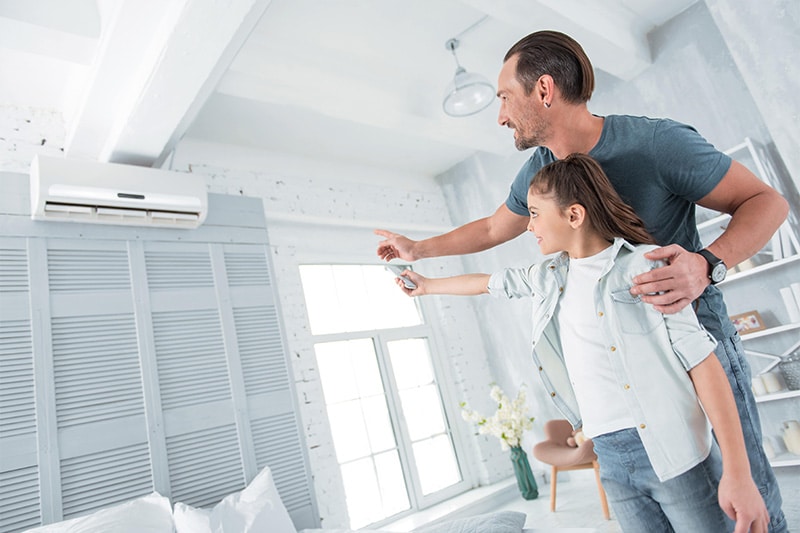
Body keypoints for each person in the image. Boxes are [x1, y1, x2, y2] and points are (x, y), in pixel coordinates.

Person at [376, 30, 789, 531]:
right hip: (626, 386)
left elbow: (769, 202)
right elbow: (490, 229)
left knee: (751, 502)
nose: (500, 114)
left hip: (694, 349)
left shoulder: (655, 143)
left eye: (506, 97)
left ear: (544, 90)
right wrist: (417, 250)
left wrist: (707, 263)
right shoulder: (540, 175)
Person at [392, 154, 769, 532]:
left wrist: (738, 472)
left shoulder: (644, 267)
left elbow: (704, 364)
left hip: (677, 451)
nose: (529, 227)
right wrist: (427, 286)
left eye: (536, 214)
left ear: (574, 215)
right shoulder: (547, 278)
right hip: (611, 457)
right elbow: (486, 282)